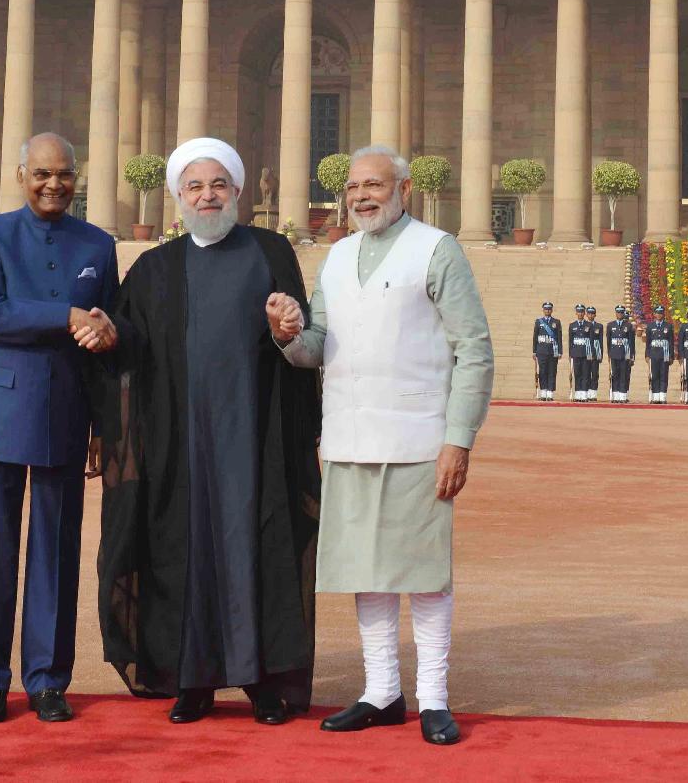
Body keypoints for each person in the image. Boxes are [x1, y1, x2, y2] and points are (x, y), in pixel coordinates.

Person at [91, 137, 320, 728]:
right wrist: (109, 334)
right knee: (181, 554)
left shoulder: (270, 250)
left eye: (218, 184)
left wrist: (286, 327)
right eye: (194, 186)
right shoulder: (155, 268)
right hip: (179, 442)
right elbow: (131, 343)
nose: (207, 195)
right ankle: (190, 681)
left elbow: (298, 331)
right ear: (178, 197)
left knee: (256, 551)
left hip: (255, 439)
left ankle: (262, 681)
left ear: (238, 191)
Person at [269, 144, 493, 748]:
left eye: (374, 184)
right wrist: (286, 334)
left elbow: (473, 348)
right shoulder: (338, 257)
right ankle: (382, 691)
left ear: (404, 189)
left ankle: (434, 697)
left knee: (423, 572)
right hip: (348, 437)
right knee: (366, 570)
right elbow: (317, 344)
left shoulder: (436, 249)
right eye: (353, 187)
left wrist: (459, 439)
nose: (362, 196)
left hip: (419, 438)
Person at [0, 132, 119, 725]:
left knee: (56, 549)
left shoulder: (98, 244)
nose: (54, 184)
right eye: (42, 174)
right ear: (21, 175)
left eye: (64, 174)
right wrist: (67, 314)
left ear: (77, 177)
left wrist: (102, 422)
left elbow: (105, 337)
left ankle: (48, 679)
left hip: (66, 412)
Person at [531, 301, 562, 401]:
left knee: (552, 371)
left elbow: (559, 338)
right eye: (546, 309)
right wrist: (534, 351)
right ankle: (543, 391)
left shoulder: (556, 322)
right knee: (542, 371)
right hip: (541, 351)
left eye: (549, 309)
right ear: (543, 310)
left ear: (551, 310)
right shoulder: (538, 322)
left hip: (553, 351)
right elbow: (535, 337)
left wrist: (560, 351)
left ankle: (550, 392)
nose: (547, 311)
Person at [645, 305, 675, 403]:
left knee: (664, 375)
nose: (659, 315)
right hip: (653, 354)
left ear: (663, 314)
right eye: (657, 313)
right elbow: (648, 342)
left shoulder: (668, 326)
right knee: (654, 376)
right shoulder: (650, 326)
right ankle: (655, 396)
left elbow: (671, 342)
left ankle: (662, 397)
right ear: (654, 314)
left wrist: (671, 356)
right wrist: (647, 355)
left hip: (664, 355)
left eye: (661, 313)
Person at [606, 304, 635, 402]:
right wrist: (609, 354)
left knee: (623, 375)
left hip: (625, 354)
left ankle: (622, 396)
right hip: (614, 353)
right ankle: (615, 395)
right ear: (615, 313)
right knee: (615, 375)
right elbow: (609, 341)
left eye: (621, 312)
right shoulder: (611, 325)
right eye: (618, 312)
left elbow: (631, 342)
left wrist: (632, 356)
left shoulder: (629, 326)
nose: (619, 314)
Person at [568, 303, 593, 402]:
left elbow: (591, 341)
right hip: (576, 353)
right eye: (578, 312)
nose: (580, 314)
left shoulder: (589, 325)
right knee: (577, 374)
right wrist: (570, 354)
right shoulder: (572, 325)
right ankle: (578, 393)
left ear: (584, 313)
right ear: (576, 313)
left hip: (586, 353)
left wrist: (591, 353)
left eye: (582, 312)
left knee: (586, 374)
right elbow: (570, 341)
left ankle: (584, 394)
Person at [585, 306, 604, 402]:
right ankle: (587, 392)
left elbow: (601, 341)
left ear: (595, 315)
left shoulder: (599, 326)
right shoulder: (584, 325)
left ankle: (593, 393)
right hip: (586, 352)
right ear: (586, 314)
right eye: (589, 313)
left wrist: (601, 355)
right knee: (586, 373)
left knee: (595, 373)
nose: (591, 315)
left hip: (596, 352)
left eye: (592, 313)